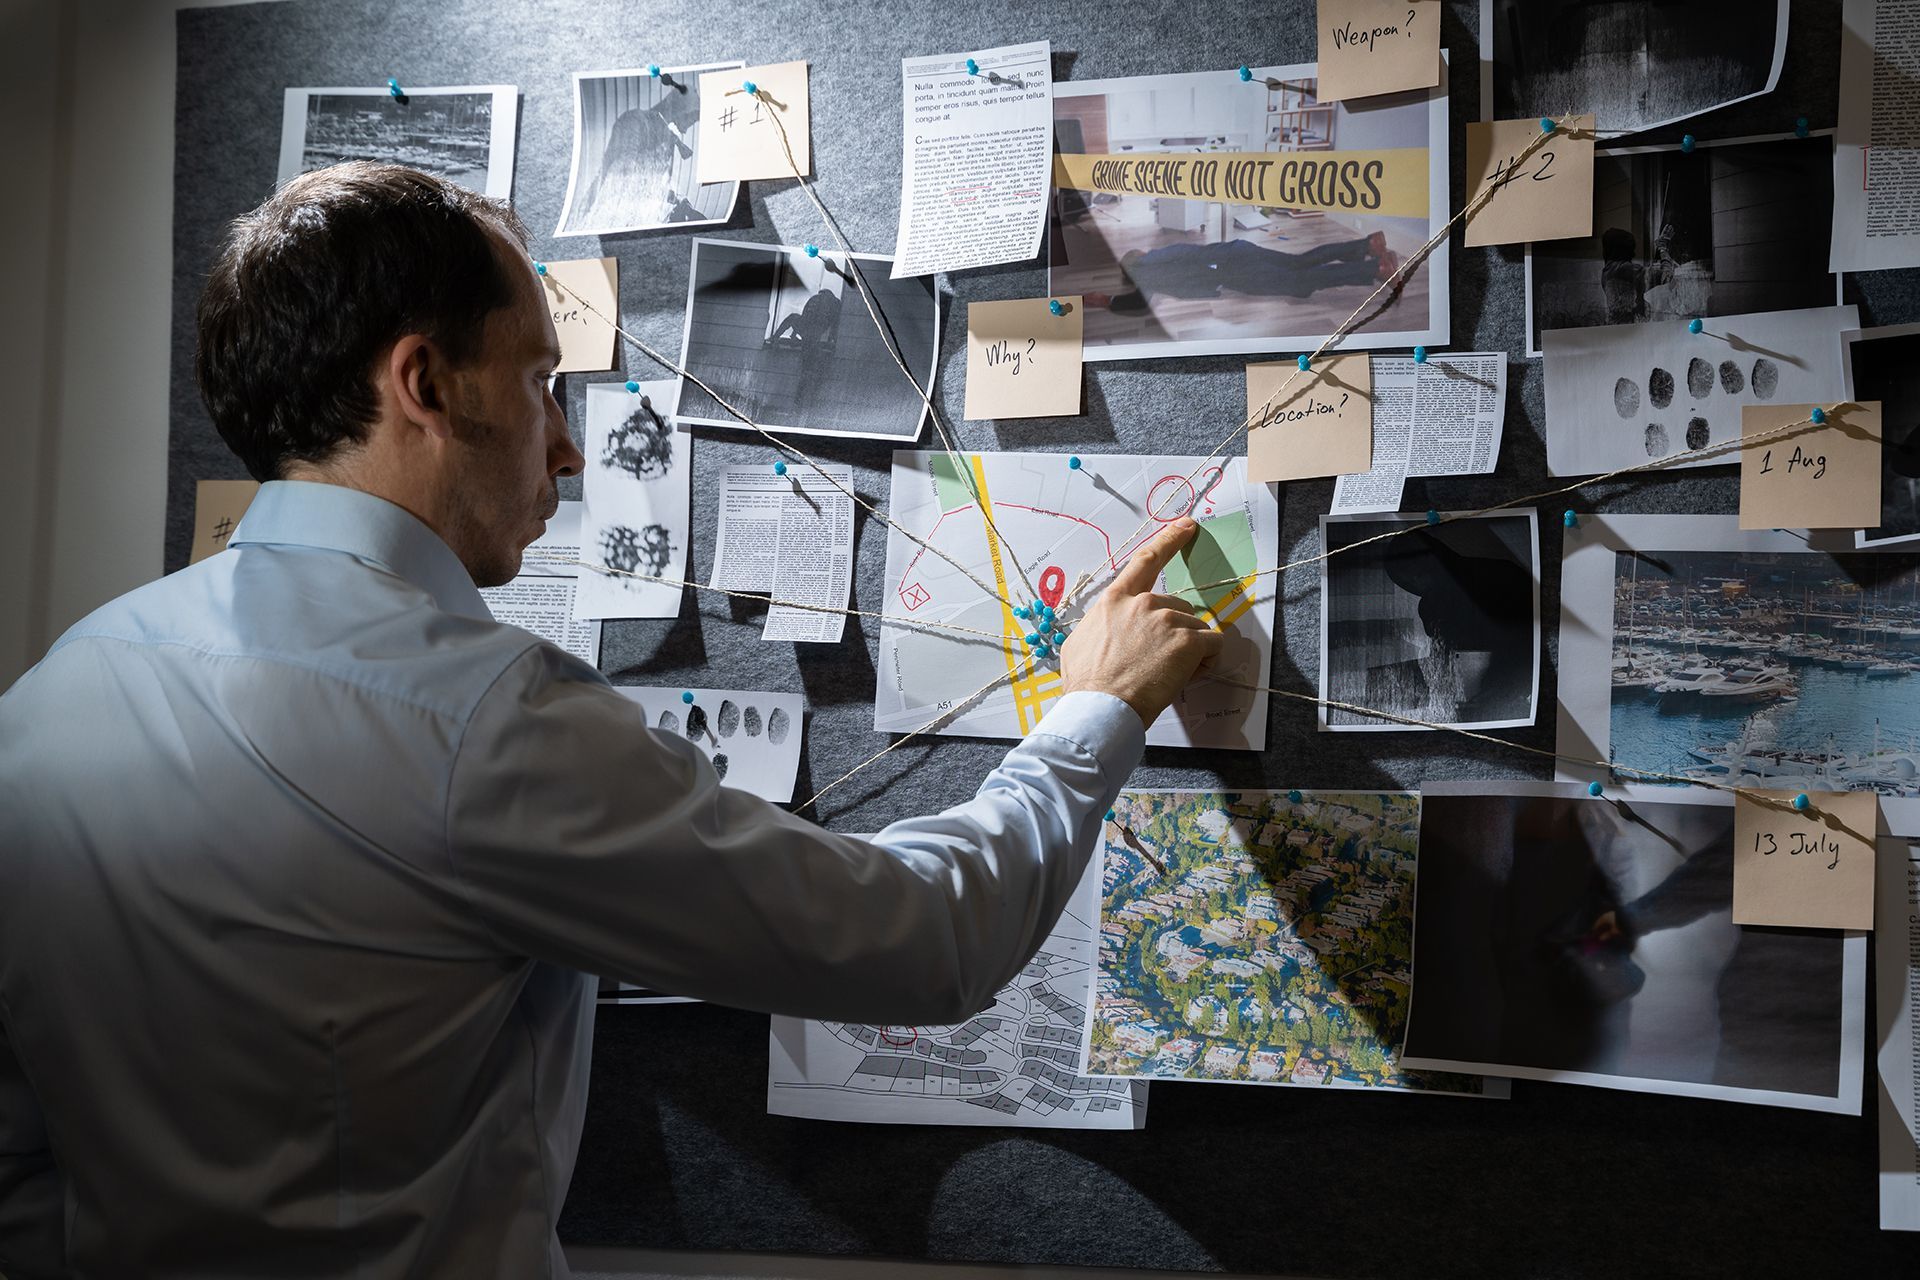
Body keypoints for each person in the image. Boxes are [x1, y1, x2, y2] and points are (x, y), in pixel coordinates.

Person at [0, 163, 1222, 1278]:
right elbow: (925, 938)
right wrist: (1096, 707)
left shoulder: (52, 694)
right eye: (542, 382)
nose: (573, 447)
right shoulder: (477, 715)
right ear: (424, 384)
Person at [1083, 231, 1398, 317]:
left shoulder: (1151, 267)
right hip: (1237, 252)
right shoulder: (1154, 261)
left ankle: (1376, 267)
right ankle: (1368, 245)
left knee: (1302, 280)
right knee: (1299, 264)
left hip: (1235, 268)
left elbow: (1140, 301)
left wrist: (1106, 301)